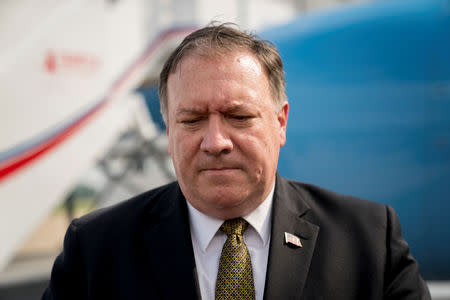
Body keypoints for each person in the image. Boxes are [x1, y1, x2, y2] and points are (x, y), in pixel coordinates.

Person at [42, 23, 430, 300]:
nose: (215, 142)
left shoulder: (367, 240)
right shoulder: (96, 251)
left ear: (280, 122)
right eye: (192, 120)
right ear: (167, 129)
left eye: (239, 117)